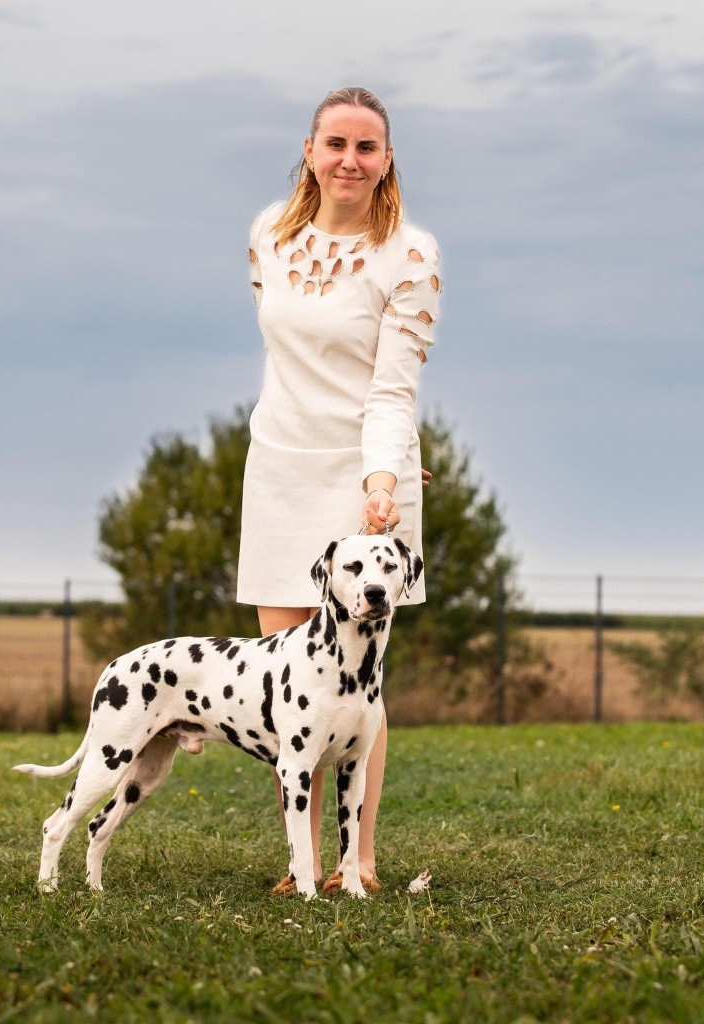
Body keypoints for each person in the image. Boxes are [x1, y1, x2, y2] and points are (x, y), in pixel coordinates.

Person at [234, 86, 443, 895]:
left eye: (367, 147)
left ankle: (358, 862)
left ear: (387, 160)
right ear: (311, 151)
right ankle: (303, 863)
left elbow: (392, 388)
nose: (350, 160)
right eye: (336, 144)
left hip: (365, 487)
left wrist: (383, 478)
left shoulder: (410, 254)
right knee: (289, 681)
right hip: (279, 470)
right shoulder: (266, 236)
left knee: (357, 687)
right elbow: (290, 359)